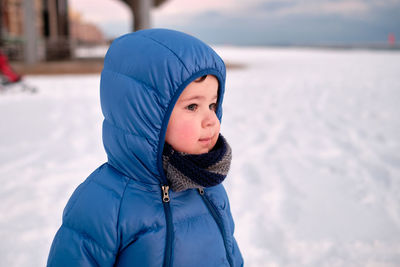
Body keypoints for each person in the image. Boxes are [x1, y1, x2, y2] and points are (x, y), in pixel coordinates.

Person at [47, 28, 243, 267]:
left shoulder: (209, 186)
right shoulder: (104, 203)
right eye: (192, 107)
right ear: (147, 115)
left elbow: (231, 257)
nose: (211, 120)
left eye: (212, 105)